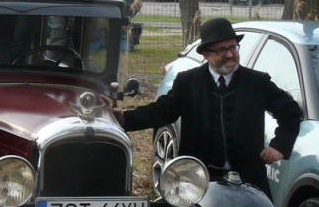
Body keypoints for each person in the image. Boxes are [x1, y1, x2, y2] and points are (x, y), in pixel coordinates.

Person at [109, 17, 301, 197]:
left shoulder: (257, 82)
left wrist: (279, 146)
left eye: (234, 47)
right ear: (207, 54)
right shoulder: (189, 82)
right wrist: (124, 119)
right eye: (222, 50)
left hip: (249, 179)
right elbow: (161, 112)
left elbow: (291, 112)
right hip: (197, 178)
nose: (230, 55)